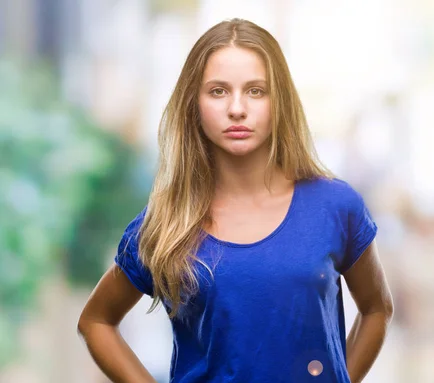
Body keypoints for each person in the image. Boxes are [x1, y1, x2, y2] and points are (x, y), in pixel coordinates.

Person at [77, 18, 394, 383]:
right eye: (218, 91)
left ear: (281, 101)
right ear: (193, 103)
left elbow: (376, 309)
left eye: (256, 90)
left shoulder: (336, 207)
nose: (237, 109)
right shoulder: (166, 222)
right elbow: (96, 320)